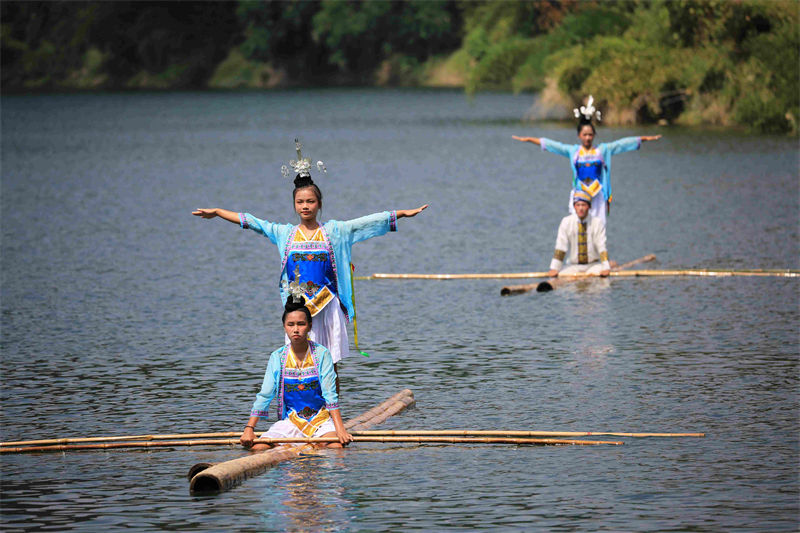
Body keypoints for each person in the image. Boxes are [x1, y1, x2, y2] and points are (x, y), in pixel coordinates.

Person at [193, 139, 428, 370]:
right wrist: (218, 212)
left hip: (327, 305)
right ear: (294, 205)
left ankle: (332, 407)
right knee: (300, 364)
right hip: (298, 309)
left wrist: (401, 214)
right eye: (300, 202)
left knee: (329, 365)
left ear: (319, 204)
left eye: (310, 201)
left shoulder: (334, 231)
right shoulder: (284, 233)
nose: (305, 206)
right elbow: (253, 222)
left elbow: (365, 223)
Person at [512, 95, 661, 226]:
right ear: (579, 136)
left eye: (590, 134)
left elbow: (622, 144)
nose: (588, 137)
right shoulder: (574, 151)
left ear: (594, 135)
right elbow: (553, 145)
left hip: (598, 194)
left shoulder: (602, 150)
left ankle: (598, 256)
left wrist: (643, 139)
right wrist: (530, 139)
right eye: (584, 135)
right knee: (577, 225)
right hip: (580, 194)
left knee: (598, 226)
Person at [240, 297, 351, 451]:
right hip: (291, 422)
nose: (296, 329)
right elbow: (265, 394)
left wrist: (340, 430)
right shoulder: (277, 357)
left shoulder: (322, 354)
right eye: (290, 325)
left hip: (320, 422)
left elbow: (330, 394)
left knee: (336, 447)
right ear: (284, 327)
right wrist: (249, 428)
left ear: (310, 326)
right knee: (258, 448)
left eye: (301, 324)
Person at [548, 189, 610, 278]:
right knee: (561, 278)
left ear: (589, 206)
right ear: (574, 207)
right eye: (578, 205)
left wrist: (606, 267)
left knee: (598, 279)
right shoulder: (566, 222)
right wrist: (554, 268)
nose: (580, 208)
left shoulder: (597, 223)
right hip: (573, 266)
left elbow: (602, 246)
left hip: (593, 266)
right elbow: (561, 246)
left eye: (584, 205)